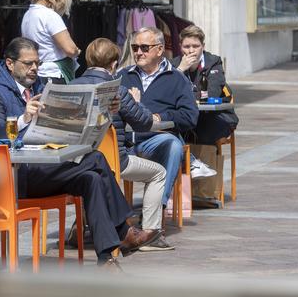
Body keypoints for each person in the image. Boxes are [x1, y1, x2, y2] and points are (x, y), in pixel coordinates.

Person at [0, 37, 161, 271]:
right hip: (15, 178)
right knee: (96, 159)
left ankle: (106, 259)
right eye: (28, 64)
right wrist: (24, 117)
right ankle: (124, 231)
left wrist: (104, 109)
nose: (34, 68)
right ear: (9, 64)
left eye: (37, 63)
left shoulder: (44, 88)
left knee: (92, 179)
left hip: (45, 168)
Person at [71, 38, 172, 251]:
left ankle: (79, 228)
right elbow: (144, 123)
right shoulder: (118, 90)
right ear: (114, 64)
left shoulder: (71, 87)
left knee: (88, 178)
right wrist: (136, 102)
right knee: (159, 173)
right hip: (116, 161)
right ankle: (151, 233)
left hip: (77, 161)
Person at [117, 27, 199, 210]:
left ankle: (156, 209)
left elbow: (190, 116)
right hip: (125, 145)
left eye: (144, 48)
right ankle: (103, 218)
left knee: (173, 144)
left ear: (160, 50)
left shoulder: (176, 79)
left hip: (155, 141)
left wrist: (160, 116)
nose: (138, 52)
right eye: (135, 47)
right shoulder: (122, 76)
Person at [171, 25, 239, 146]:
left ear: (203, 46)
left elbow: (211, 93)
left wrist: (183, 98)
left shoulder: (213, 62)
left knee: (202, 131)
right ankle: (186, 162)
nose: (191, 51)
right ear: (180, 47)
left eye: (196, 46)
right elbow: (167, 92)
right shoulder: (174, 65)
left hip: (216, 116)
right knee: (169, 132)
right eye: (187, 46)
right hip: (186, 116)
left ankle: (202, 162)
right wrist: (180, 70)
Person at [21, 0, 80, 84]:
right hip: (54, 75)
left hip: (38, 73)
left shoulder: (27, 15)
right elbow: (71, 49)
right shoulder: (49, 15)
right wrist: (77, 51)